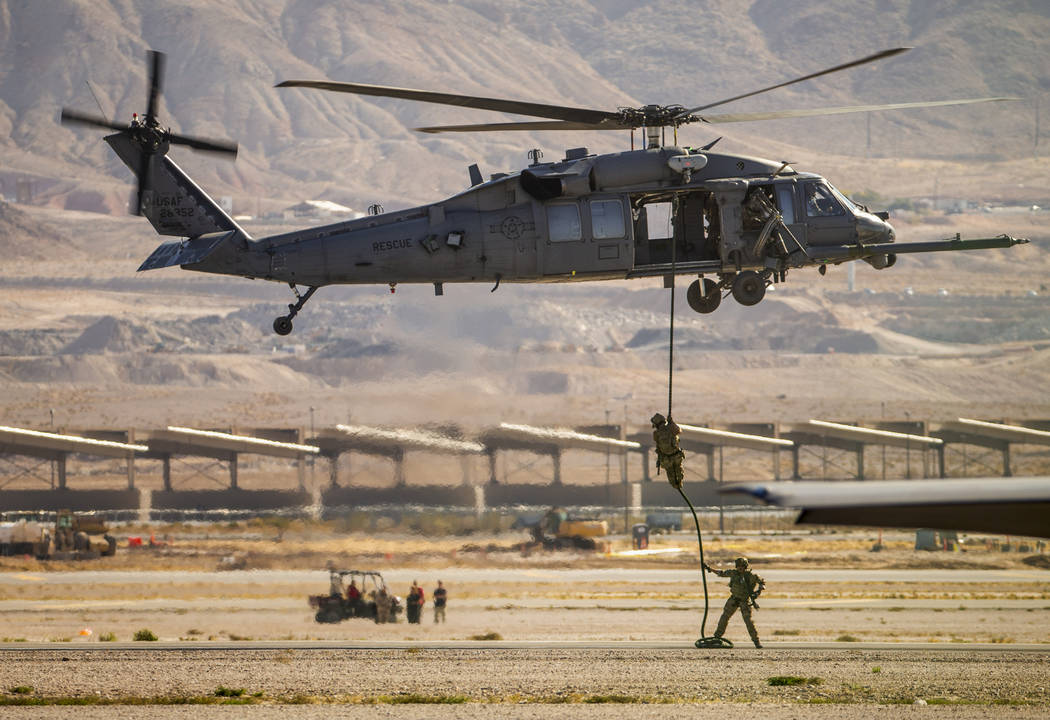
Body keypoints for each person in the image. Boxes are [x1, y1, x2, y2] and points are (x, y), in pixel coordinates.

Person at [703, 557, 765, 648]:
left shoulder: (752, 575)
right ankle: (717, 637)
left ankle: (756, 641)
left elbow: (762, 583)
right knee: (724, 617)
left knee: (748, 622)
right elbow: (721, 573)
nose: (740, 568)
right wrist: (709, 569)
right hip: (734, 599)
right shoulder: (733, 573)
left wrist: (758, 592)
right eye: (738, 566)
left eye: (742, 566)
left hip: (744, 601)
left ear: (745, 566)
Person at [651, 413, 685, 489]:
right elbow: (678, 430)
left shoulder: (657, 433)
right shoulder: (669, 428)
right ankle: (678, 484)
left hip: (668, 459)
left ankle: (677, 485)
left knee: (673, 477)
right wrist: (671, 423)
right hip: (675, 457)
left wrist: (671, 423)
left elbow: (658, 446)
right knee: (678, 474)